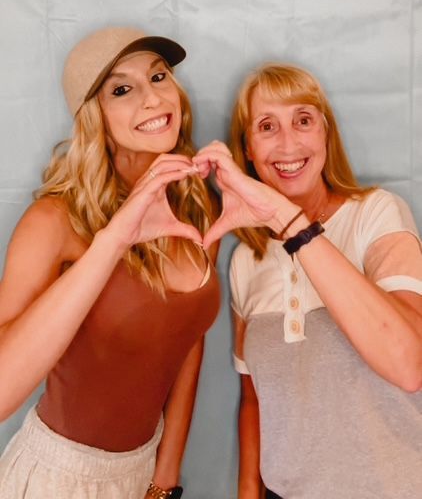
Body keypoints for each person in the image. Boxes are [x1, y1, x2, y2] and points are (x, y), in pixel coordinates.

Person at [0, 26, 220, 499]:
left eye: (158, 76)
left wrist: (164, 480)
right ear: (94, 116)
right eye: (122, 89)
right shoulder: (54, 221)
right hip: (58, 480)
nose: (152, 98)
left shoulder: (201, 208)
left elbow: (187, 344)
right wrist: (114, 238)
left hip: (143, 474)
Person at [193, 63, 422, 499]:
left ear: (325, 135)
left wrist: (289, 222)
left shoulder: (376, 214)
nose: (288, 143)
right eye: (267, 126)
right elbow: (256, 401)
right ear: (248, 150)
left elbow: (410, 364)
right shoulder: (247, 259)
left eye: (303, 121)